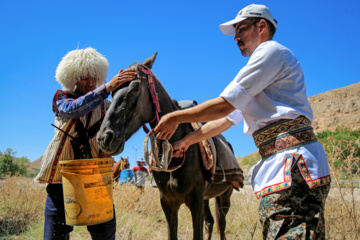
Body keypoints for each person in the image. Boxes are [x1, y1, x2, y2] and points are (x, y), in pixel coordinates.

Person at [154, 4, 331, 239]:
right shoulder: (260, 69)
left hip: (292, 164)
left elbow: (224, 105)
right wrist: (186, 141)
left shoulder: (270, 52)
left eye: (242, 29)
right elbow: (226, 120)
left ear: (262, 26)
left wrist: (175, 117)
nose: (236, 37)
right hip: (282, 165)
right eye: (235, 32)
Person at [34, 47, 136, 240]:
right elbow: (73, 110)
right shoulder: (61, 98)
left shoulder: (107, 106)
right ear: (73, 78)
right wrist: (106, 88)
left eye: (94, 77)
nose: (90, 82)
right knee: (55, 236)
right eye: (84, 77)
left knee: (104, 235)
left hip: (95, 178)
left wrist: (128, 85)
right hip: (62, 180)